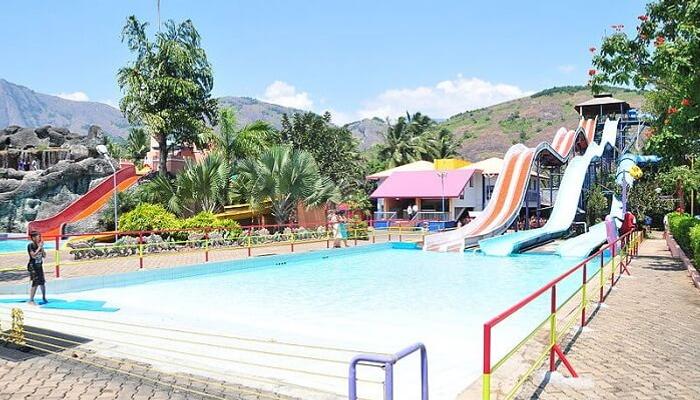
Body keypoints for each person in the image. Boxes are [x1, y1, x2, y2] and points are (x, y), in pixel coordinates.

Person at [27, 231, 47, 305]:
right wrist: (39, 248)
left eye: (39, 236)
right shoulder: (30, 245)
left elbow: (44, 256)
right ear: (33, 238)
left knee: (42, 282)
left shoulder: (39, 246)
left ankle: (44, 297)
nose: (39, 238)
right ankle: (31, 300)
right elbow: (33, 255)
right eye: (37, 237)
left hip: (39, 266)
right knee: (35, 282)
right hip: (33, 266)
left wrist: (42, 249)